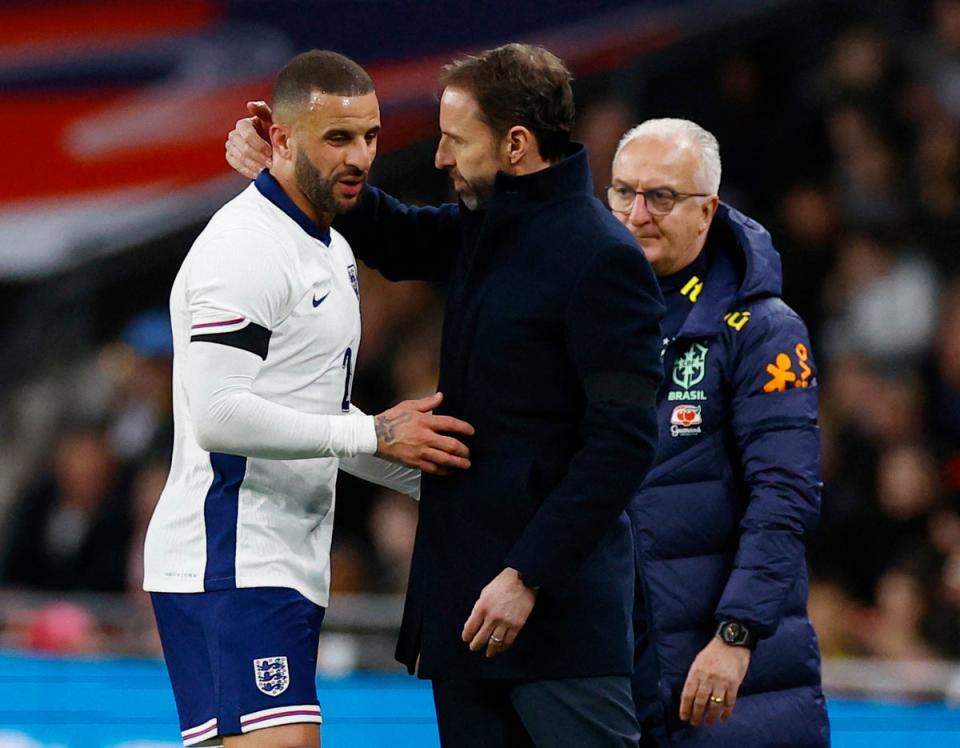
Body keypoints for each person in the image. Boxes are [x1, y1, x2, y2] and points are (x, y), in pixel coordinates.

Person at [227, 44, 664, 747]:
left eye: (455, 140)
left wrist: (527, 575)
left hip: (558, 630)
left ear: (516, 145)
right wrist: (294, 166)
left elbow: (623, 443)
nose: (439, 157)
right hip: (466, 620)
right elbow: (394, 236)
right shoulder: (482, 231)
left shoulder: (602, 258)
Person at [144, 50, 474, 748]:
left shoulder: (329, 250)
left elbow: (321, 419)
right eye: (337, 138)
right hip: (229, 558)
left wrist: (427, 475)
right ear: (283, 140)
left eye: (371, 136)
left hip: (285, 561)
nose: (360, 156)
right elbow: (219, 415)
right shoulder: (243, 248)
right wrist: (375, 437)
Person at [608, 118, 829, 746]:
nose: (637, 213)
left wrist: (736, 636)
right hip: (615, 663)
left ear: (708, 210)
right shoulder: (594, 312)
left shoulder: (763, 329)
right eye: (623, 192)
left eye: (662, 197)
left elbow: (785, 495)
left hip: (725, 669)